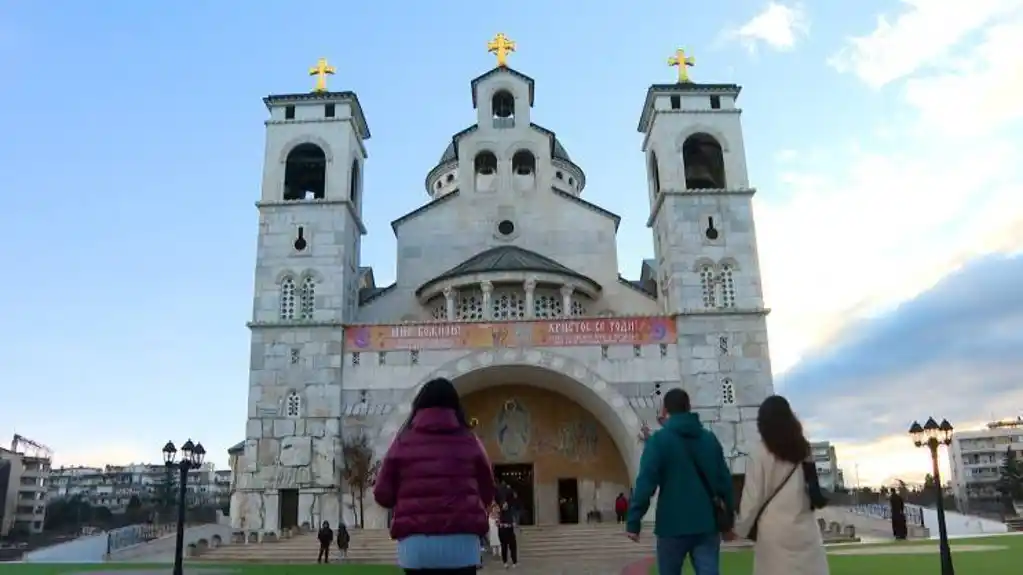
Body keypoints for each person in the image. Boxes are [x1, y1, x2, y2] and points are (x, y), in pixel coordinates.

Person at [373, 377, 497, 575]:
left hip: (416, 546)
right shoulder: (470, 440)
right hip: (462, 545)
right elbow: (488, 490)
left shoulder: (403, 441)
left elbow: (382, 494)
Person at [626, 388, 734, 575]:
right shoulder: (709, 439)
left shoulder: (659, 441)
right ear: (689, 407)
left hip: (671, 525)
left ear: (664, 410)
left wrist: (634, 520)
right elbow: (725, 483)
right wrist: (728, 521)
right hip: (706, 524)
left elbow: (646, 483)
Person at [734, 395, 829, 575]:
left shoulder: (760, 453)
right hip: (804, 527)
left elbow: (753, 498)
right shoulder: (803, 449)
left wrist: (740, 527)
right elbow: (813, 490)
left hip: (773, 530)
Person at [497, 496, 519, 568]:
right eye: (504, 504)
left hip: (510, 532)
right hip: (503, 533)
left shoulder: (510, 513)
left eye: (506, 504)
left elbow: (514, 522)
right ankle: (505, 562)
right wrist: (503, 525)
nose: (505, 506)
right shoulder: (499, 514)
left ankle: (514, 561)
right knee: (504, 548)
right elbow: (497, 523)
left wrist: (512, 524)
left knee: (513, 547)